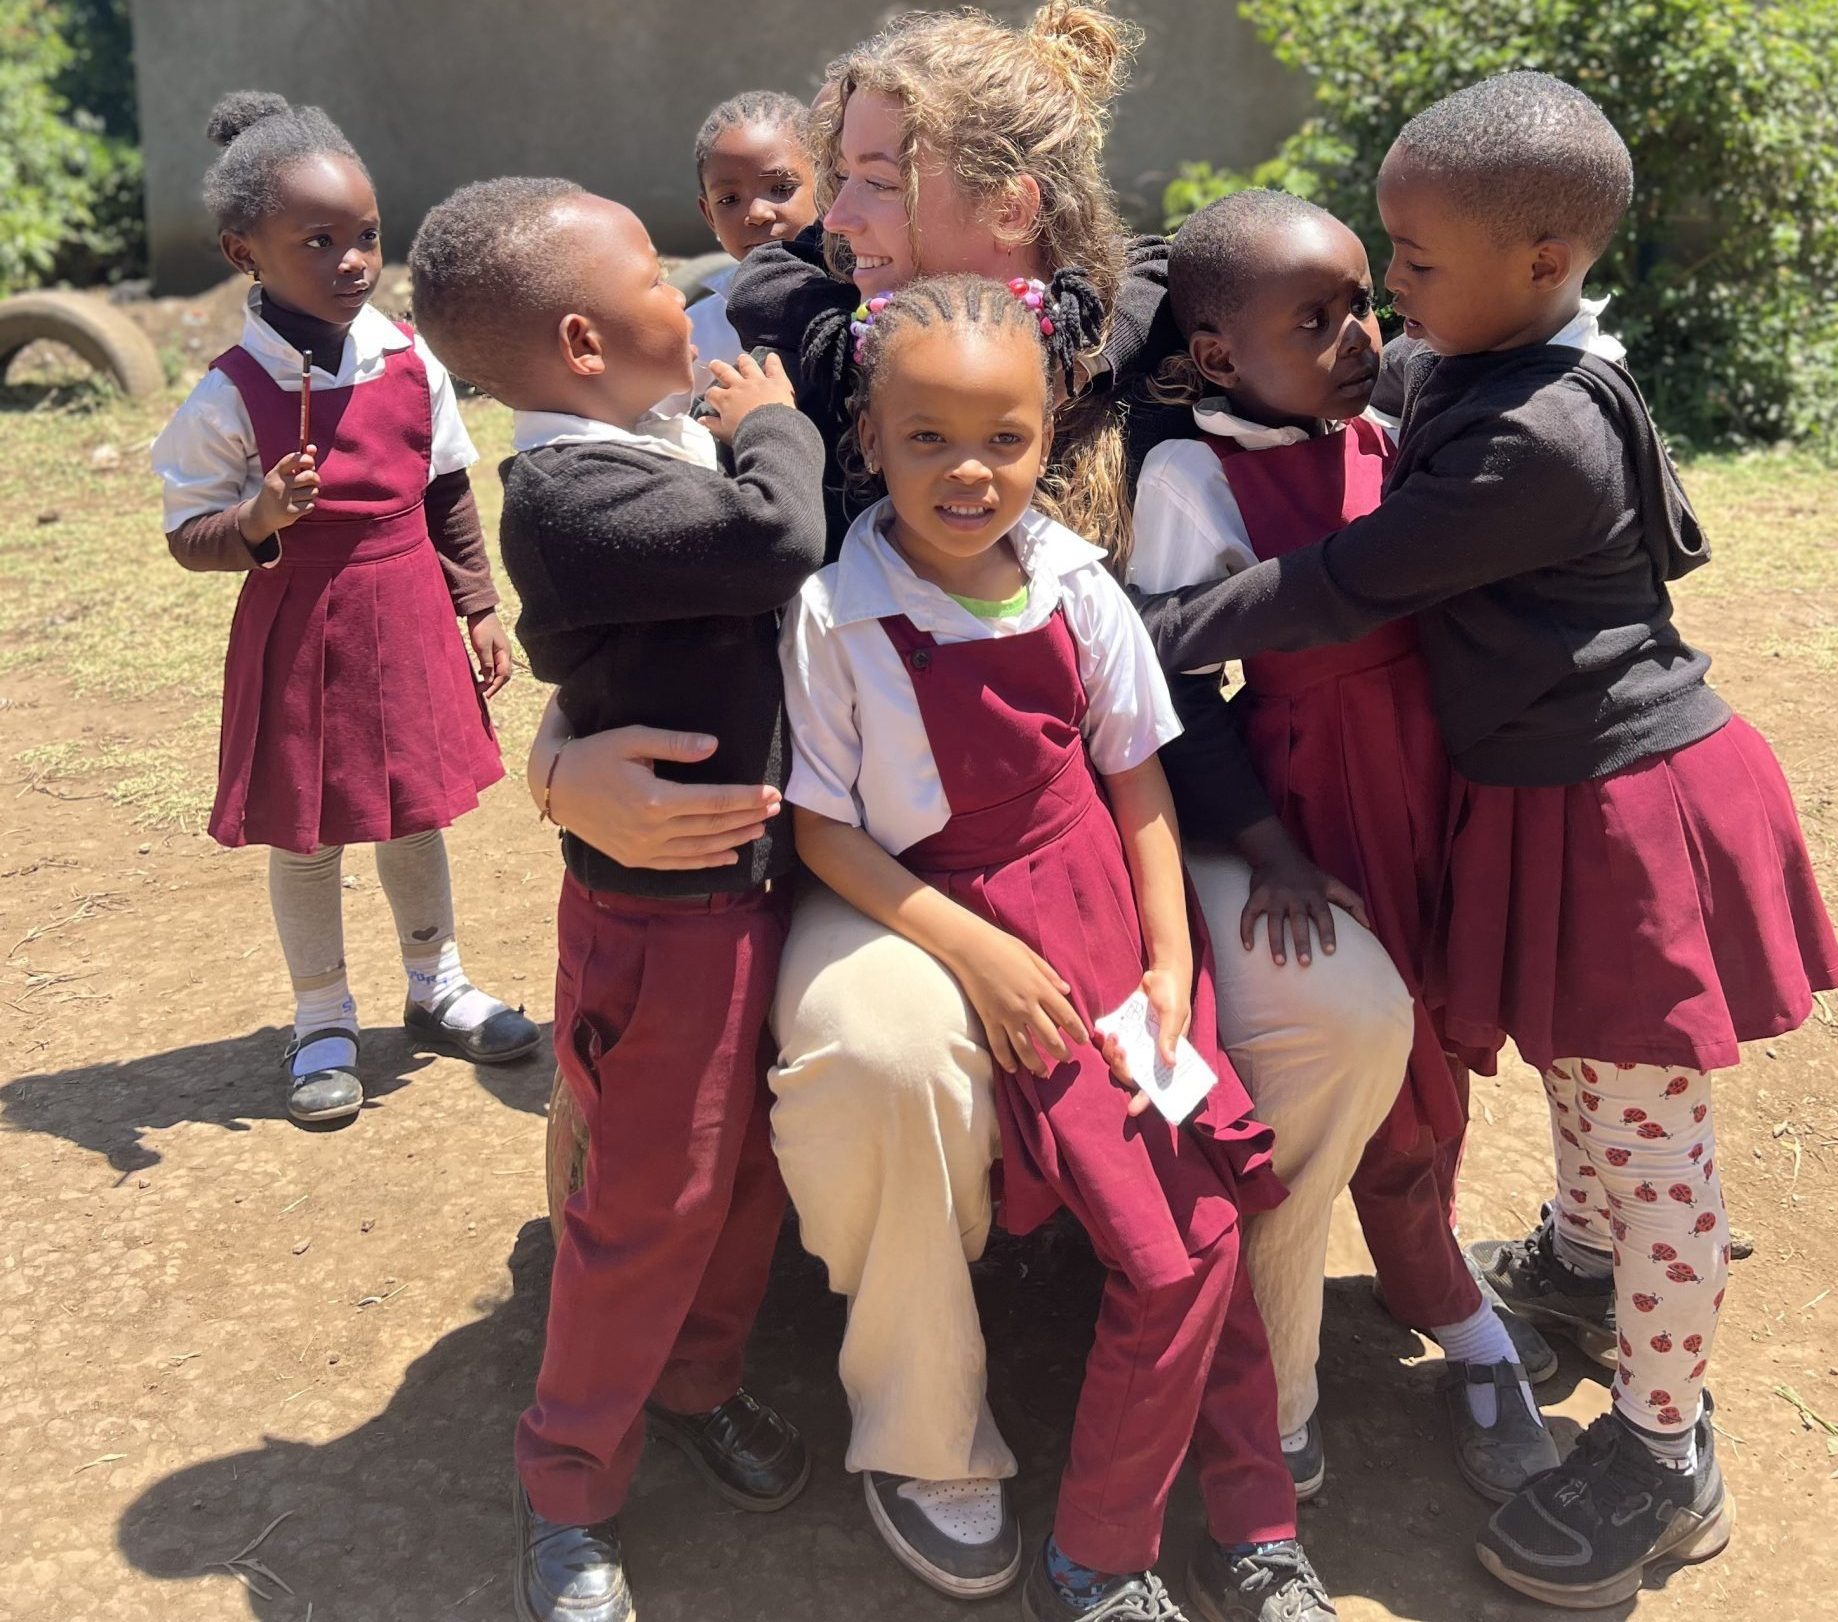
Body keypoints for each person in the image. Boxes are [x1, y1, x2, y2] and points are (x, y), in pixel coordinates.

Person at [533, 4, 1409, 1592]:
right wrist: (557, 760)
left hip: (1119, 826)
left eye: (878, 174)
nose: (831, 209)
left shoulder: (1149, 344)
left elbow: (1354, 408)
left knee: (1343, 1009)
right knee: (882, 1045)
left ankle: (1260, 1398)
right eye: (840, 171)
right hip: (855, 846)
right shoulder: (785, 352)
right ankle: (926, 1426)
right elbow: (619, 575)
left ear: (1004, 202)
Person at [1135, 72, 1838, 1608]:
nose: (1388, 302)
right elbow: (1286, 363)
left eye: (1413, 263)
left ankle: (1665, 1444)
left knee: (1647, 1131)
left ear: (1540, 264)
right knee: (1582, 1073)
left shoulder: (1539, 434)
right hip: (1547, 788)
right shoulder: (1483, 357)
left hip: (1624, 802)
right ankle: (1583, 1272)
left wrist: (1150, 633)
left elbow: (1347, 578)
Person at [785, 271, 1333, 1622]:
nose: (969, 471)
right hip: (990, 946)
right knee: (1173, 1252)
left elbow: (1136, 782)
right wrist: (974, 957)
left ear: (1050, 437)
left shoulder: (1078, 584)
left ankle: (1253, 1527)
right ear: (868, 438)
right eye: (928, 438)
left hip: (1116, 936)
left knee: (1210, 1216)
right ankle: (1098, 1553)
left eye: (1006, 438)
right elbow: (825, 833)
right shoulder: (836, 615)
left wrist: (1171, 967)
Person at [408, 178, 827, 1622]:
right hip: (665, 924)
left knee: (746, 1172)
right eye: (658, 271)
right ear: (583, 343)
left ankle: (698, 1383)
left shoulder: (644, 444)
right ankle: (571, 1479)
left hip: (748, 890)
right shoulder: (573, 497)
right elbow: (777, 538)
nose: (688, 285)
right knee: (648, 1197)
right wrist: (774, 416)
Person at [1128, 187, 1560, 1502]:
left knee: (1444, 1038)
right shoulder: (1193, 475)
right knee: (1394, 1061)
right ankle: (1452, 1314)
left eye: (1362, 303)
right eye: (1313, 321)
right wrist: (1264, 844)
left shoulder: (1386, 430)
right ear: (1217, 355)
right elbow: (1173, 684)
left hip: (1434, 778)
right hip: (1321, 799)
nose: (1359, 335)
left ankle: (1423, 1265)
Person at [150, 92, 534, 1127]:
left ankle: (437, 984)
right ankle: (321, 1018)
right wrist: (257, 517)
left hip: (408, 612)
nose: (353, 261)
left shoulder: (409, 358)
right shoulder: (230, 395)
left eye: (365, 235)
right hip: (301, 629)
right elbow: (188, 534)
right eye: (316, 242)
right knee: (310, 831)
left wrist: (477, 603)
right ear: (244, 253)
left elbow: (446, 488)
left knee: (415, 809)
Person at [684, 91, 817, 392]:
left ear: (826, 186)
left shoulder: (862, 300)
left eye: (781, 188)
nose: (757, 214)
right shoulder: (697, 332)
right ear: (709, 215)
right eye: (729, 200)